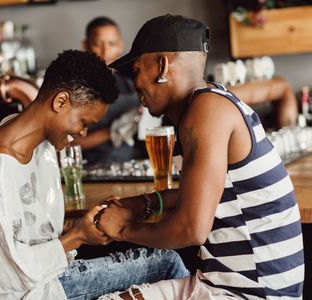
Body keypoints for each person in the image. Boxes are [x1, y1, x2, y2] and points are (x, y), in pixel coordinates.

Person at [0, 50, 188, 300]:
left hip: (47, 280)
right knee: (167, 264)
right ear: (61, 101)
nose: (84, 134)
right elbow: (3, 275)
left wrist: (81, 227)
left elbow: (30, 234)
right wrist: (77, 237)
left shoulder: (35, 141)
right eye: (84, 123)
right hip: (25, 294)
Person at [97, 15, 304, 299]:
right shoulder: (210, 101)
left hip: (252, 293)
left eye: (136, 70)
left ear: (162, 66)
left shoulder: (206, 112)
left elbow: (190, 228)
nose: (135, 85)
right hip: (223, 282)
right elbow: (206, 193)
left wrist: (121, 228)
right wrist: (141, 203)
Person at [75, 16, 141, 165]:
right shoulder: (77, 88)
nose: (105, 51)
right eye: (98, 44)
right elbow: (69, 144)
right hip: (91, 169)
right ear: (86, 45)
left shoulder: (131, 83)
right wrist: (112, 132)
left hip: (129, 166)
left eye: (111, 44)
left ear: (121, 46)